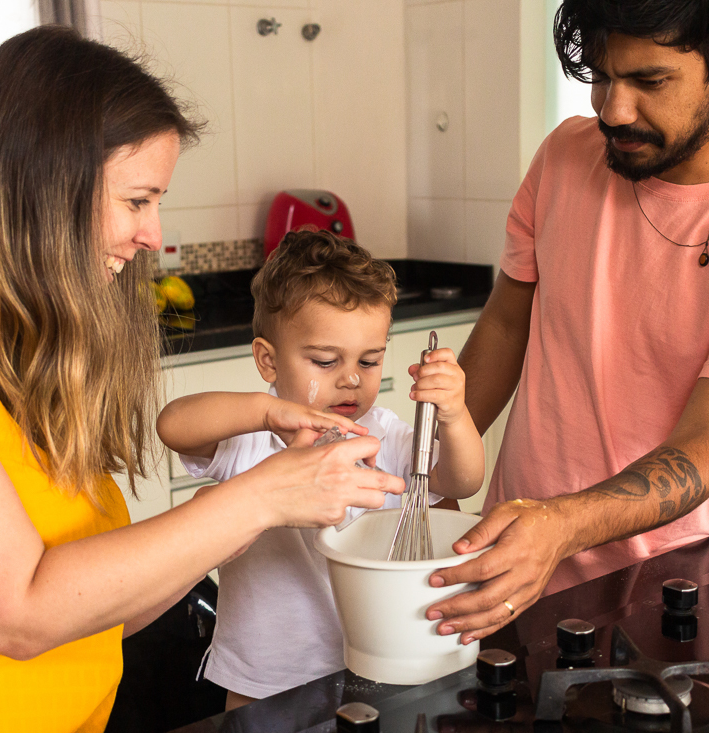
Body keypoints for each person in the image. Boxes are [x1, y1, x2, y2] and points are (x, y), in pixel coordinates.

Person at [0, 27, 403, 733]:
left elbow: (95, 603)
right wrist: (259, 497)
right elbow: (16, 611)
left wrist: (246, 512)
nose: (152, 235)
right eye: (137, 201)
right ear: (45, 185)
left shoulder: (30, 328)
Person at [424, 0, 709, 645]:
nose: (614, 110)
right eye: (600, 77)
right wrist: (426, 479)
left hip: (670, 590)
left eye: (649, 81)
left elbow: (707, 446)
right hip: (512, 563)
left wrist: (560, 525)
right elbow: (508, 327)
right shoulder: (564, 156)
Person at [156, 228, 485, 709]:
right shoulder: (253, 438)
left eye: (369, 361)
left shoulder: (384, 435)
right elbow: (173, 425)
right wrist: (267, 411)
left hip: (373, 665)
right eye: (326, 361)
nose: (351, 378)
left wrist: (454, 414)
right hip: (264, 675)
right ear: (268, 361)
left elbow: (463, 480)